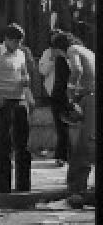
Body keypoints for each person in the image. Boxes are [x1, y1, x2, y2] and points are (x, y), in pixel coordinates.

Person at [0, 23, 35, 193]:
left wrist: (27, 89)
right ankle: (3, 186)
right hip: (3, 100)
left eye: (20, 41)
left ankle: (23, 184)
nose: (18, 44)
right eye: (15, 41)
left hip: (20, 99)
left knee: (23, 143)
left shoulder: (21, 53)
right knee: (5, 142)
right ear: (7, 39)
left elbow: (24, 73)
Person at [49, 32, 95, 205]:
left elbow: (77, 70)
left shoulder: (72, 50)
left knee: (84, 145)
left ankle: (77, 188)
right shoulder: (87, 50)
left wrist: (69, 92)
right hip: (88, 97)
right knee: (88, 143)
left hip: (90, 98)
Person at [39, 31, 70, 167]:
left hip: (66, 93)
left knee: (65, 126)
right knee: (60, 126)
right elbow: (42, 71)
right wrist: (51, 59)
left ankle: (65, 155)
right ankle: (62, 155)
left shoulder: (69, 53)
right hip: (54, 93)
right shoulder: (48, 53)